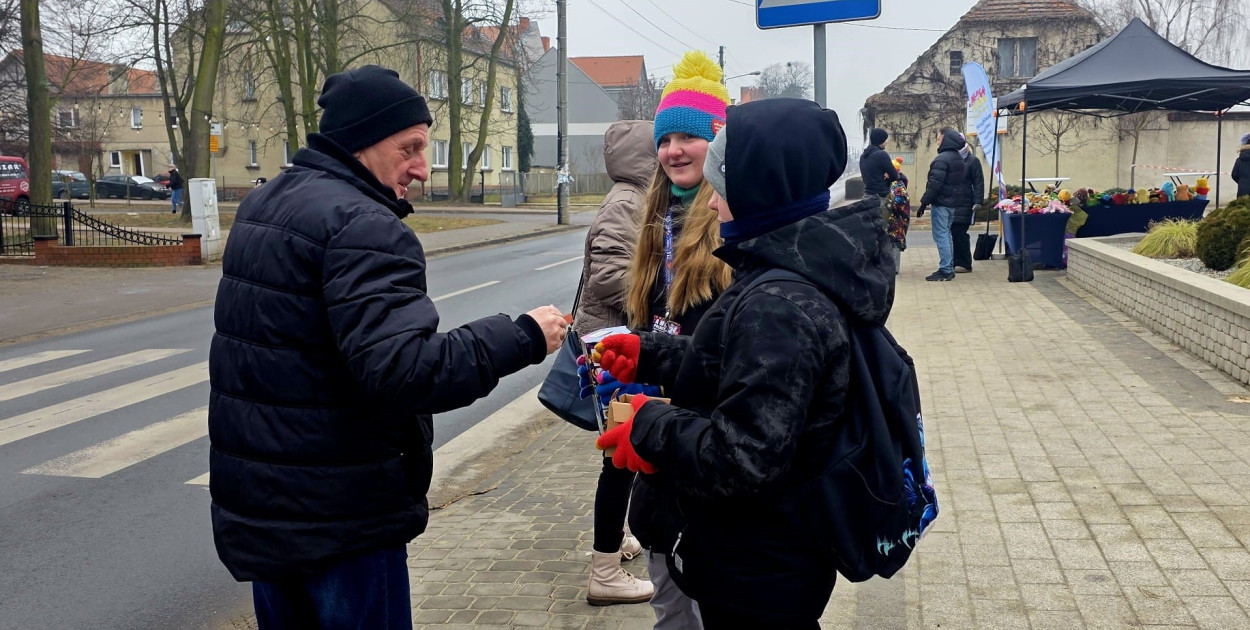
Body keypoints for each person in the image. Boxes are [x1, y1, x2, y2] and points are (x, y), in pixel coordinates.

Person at [208, 65, 567, 629]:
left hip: (265, 514)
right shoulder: (363, 224)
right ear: (361, 143)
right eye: (410, 148)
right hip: (342, 518)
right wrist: (521, 335)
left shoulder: (265, 205)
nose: (422, 169)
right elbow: (405, 371)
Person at [593, 98, 893, 629]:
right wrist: (655, 351)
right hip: (770, 552)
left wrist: (648, 424)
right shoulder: (789, 273)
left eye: (722, 186)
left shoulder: (778, 303)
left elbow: (743, 455)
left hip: (759, 563)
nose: (710, 205)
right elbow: (752, 368)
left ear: (759, 186)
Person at [620, 49, 733, 629]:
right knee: (667, 588)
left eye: (689, 138)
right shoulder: (655, 216)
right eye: (665, 141)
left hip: (708, 433)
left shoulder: (731, 222)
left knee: (707, 589)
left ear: (717, 141)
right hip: (661, 427)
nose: (673, 152)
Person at [572, 119, 657, 606]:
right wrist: (659, 295)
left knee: (623, 453)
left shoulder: (634, 197)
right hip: (611, 350)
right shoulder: (628, 203)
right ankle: (604, 571)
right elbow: (608, 278)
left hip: (615, 344)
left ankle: (617, 539)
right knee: (621, 457)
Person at [915, 127, 967, 281]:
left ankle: (945, 269)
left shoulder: (941, 160)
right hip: (953, 203)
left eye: (938, 139)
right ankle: (949, 267)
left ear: (946, 140)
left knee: (941, 235)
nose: (937, 142)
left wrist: (924, 203)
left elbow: (934, 184)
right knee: (947, 234)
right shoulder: (959, 158)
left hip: (942, 202)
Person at [951, 141, 985, 273]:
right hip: (951, 203)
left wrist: (978, 201)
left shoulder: (972, 161)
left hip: (965, 203)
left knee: (959, 233)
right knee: (952, 233)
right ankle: (953, 261)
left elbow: (978, 182)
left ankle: (964, 263)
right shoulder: (951, 159)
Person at [859, 127, 899, 220]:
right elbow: (894, 176)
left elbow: (865, 178)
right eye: (885, 140)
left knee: (871, 229)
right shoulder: (882, 155)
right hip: (880, 199)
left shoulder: (863, 156)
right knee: (882, 229)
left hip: (866, 197)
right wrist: (887, 177)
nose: (886, 142)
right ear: (880, 140)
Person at [1233, 132, 1250, 200]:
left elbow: (1234, 175)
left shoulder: (1239, 160)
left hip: (1243, 190)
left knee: (1242, 208)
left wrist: (1242, 182)